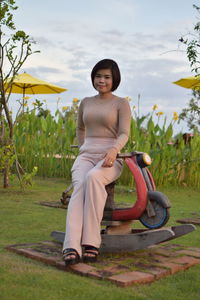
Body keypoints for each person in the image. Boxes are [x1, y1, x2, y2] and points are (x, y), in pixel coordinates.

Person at [62, 58, 131, 265]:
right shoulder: (86, 102)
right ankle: (71, 245)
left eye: (106, 77)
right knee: (80, 185)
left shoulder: (121, 103)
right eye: (98, 76)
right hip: (86, 155)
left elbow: (124, 133)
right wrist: (83, 146)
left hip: (111, 156)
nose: (101, 80)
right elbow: (80, 129)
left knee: (93, 178)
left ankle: (91, 242)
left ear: (114, 79)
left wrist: (113, 150)